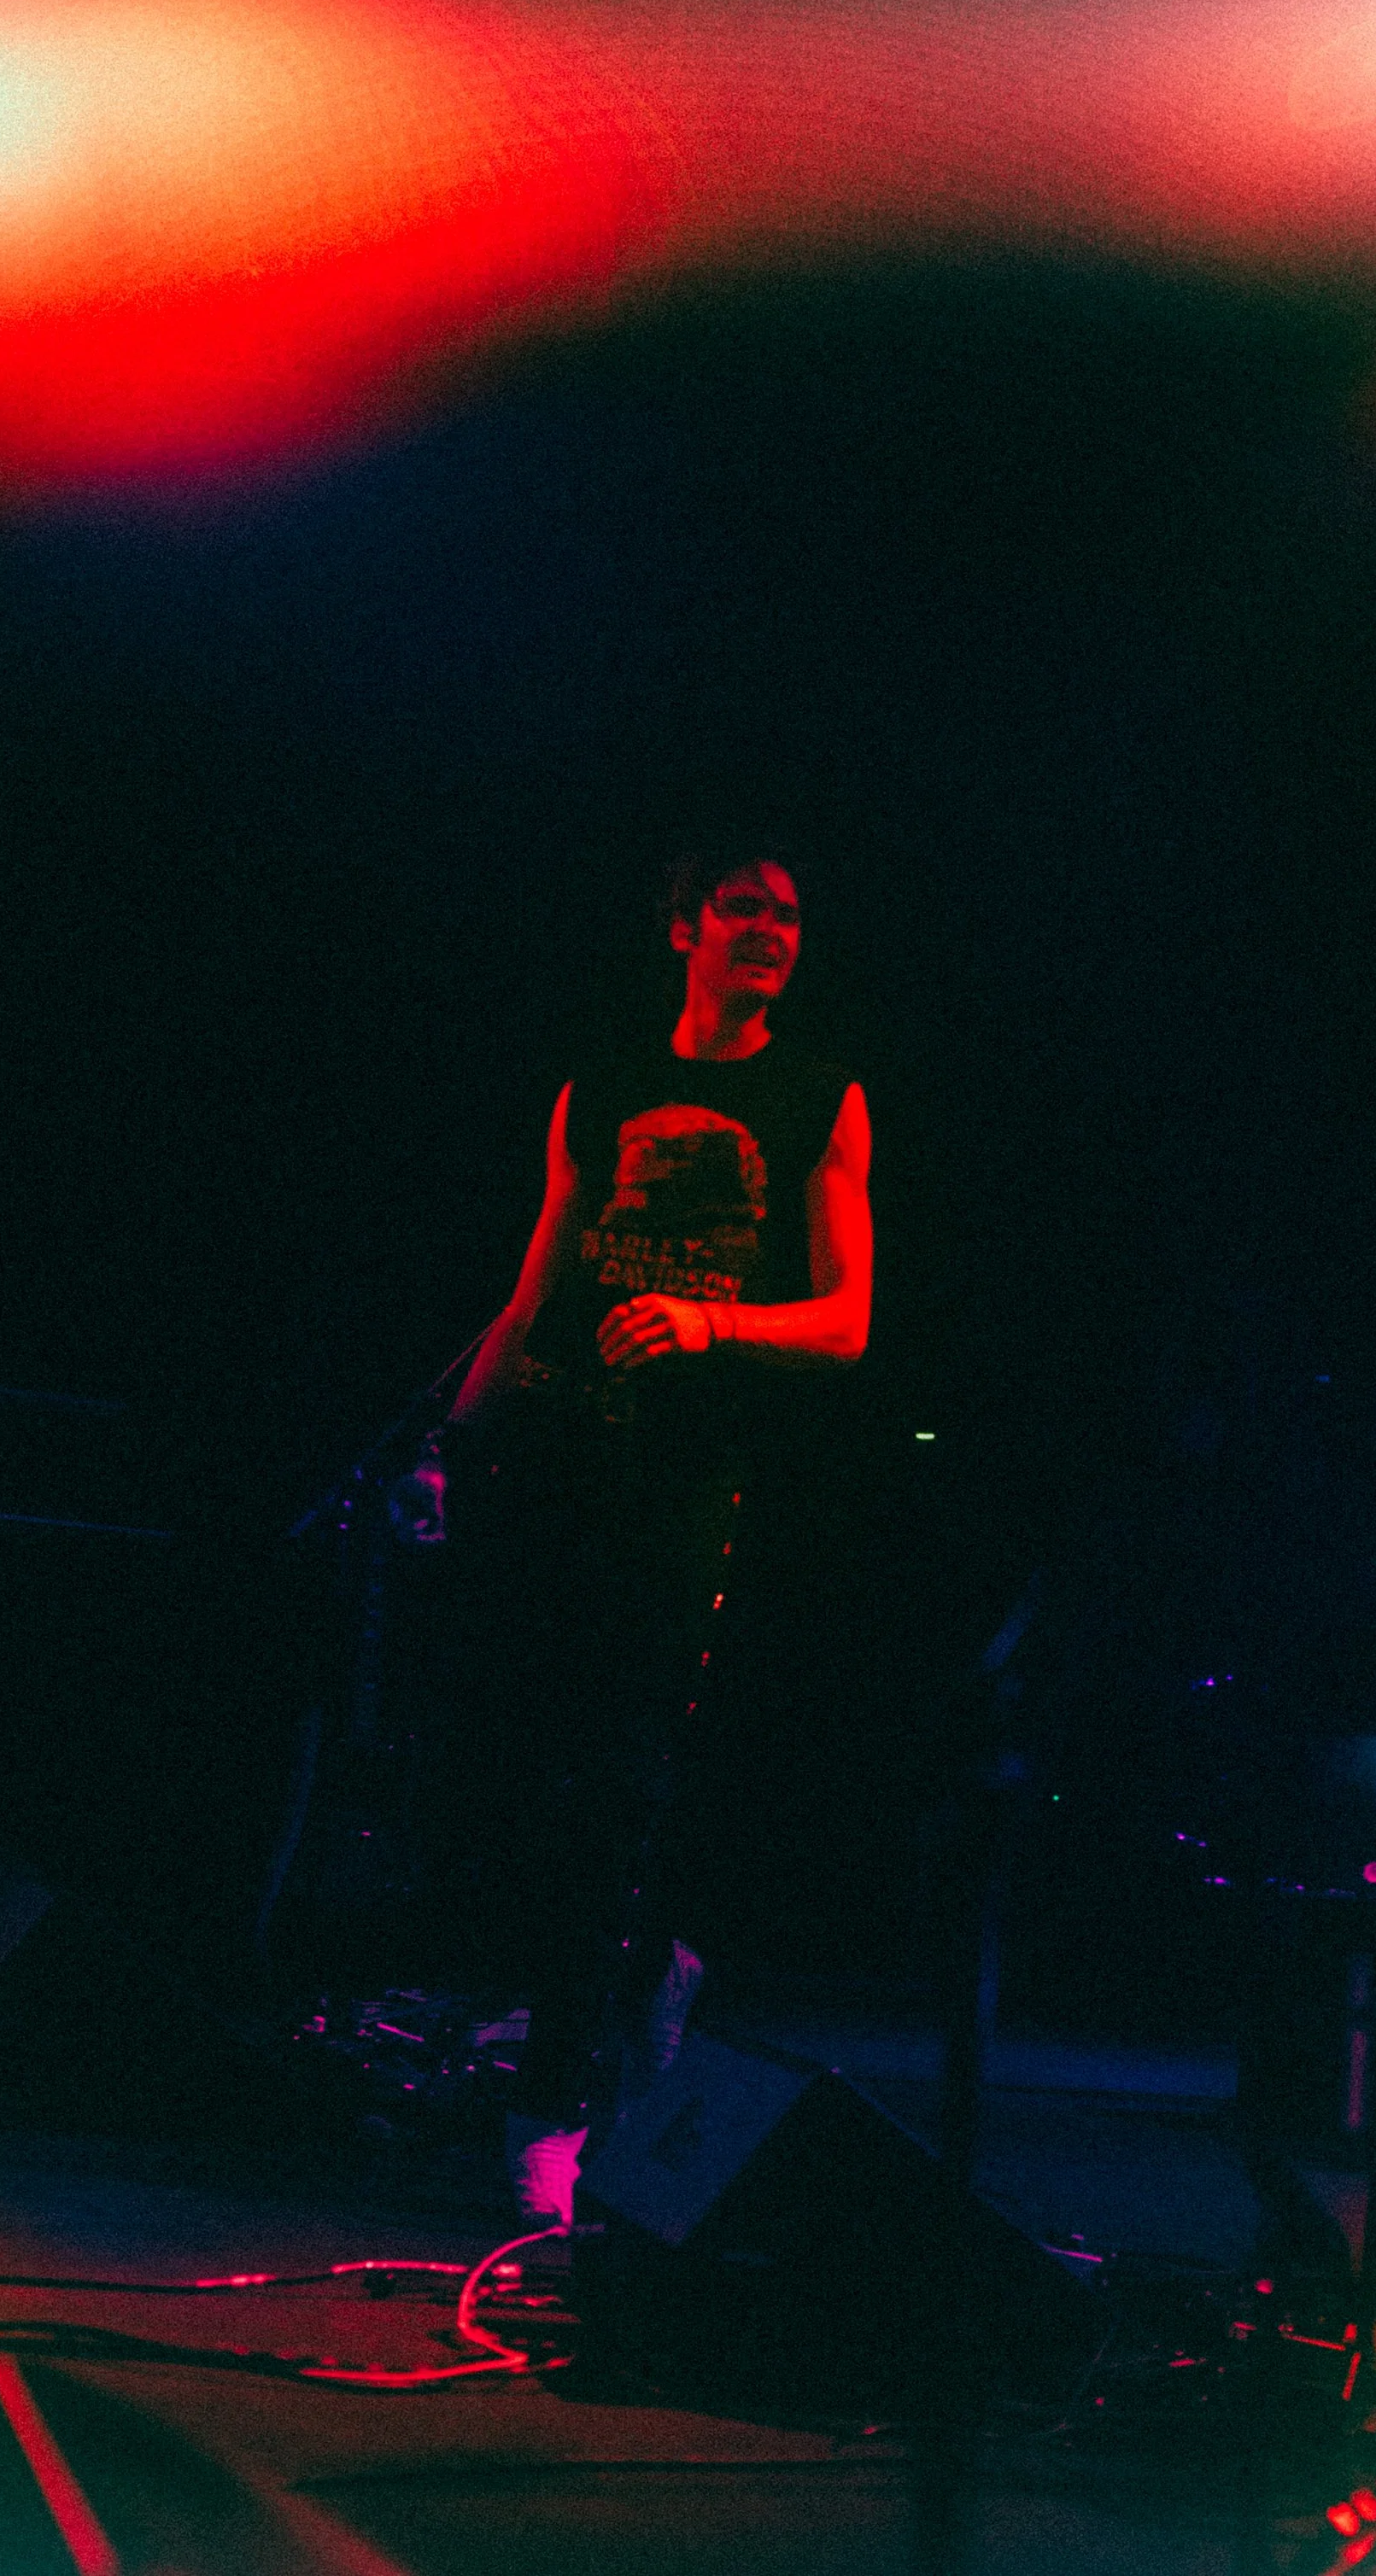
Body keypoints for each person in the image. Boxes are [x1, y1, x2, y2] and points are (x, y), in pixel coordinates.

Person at [436, 841, 872, 2225]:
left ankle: (554, 2103)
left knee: (616, 1780)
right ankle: (625, 1986)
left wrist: (708, 1319)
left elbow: (847, 1317)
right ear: (685, 927)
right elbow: (538, 1281)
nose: (772, 932)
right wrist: (451, 1445)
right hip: (560, 1450)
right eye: (745, 908)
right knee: (518, 1765)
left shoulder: (817, 1098)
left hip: (695, 1475)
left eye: (791, 915)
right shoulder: (608, 1087)